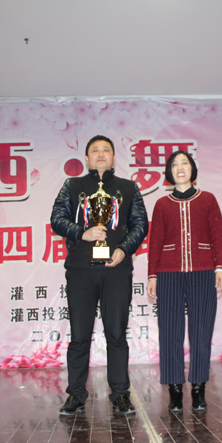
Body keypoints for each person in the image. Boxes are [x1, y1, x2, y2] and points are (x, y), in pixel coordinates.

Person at [51, 135, 148, 415]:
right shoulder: (72, 186)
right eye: (95, 150)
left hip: (116, 270)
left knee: (116, 334)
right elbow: (57, 219)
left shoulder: (129, 188)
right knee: (80, 335)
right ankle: (76, 394)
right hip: (81, 270)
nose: (101, 154)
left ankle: (120, 394)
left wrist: (124, 250)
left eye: (106, 150)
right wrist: (83, 233)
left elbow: (140, 224)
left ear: (114, 157)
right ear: (86, 158)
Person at [147, 150, 222, 411]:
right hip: (168, 273)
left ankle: (199, 388)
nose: (180, 167)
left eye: (184, 163)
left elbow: (218, 235)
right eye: (175, 164)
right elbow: (155, 242)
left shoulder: (208, 199)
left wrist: (220, 267)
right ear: (169, 172)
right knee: (170, 331)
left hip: (203, 271)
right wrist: (152, 275)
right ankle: (175, 389)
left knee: (201, 330)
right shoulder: (162, 204)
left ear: (192, 169)